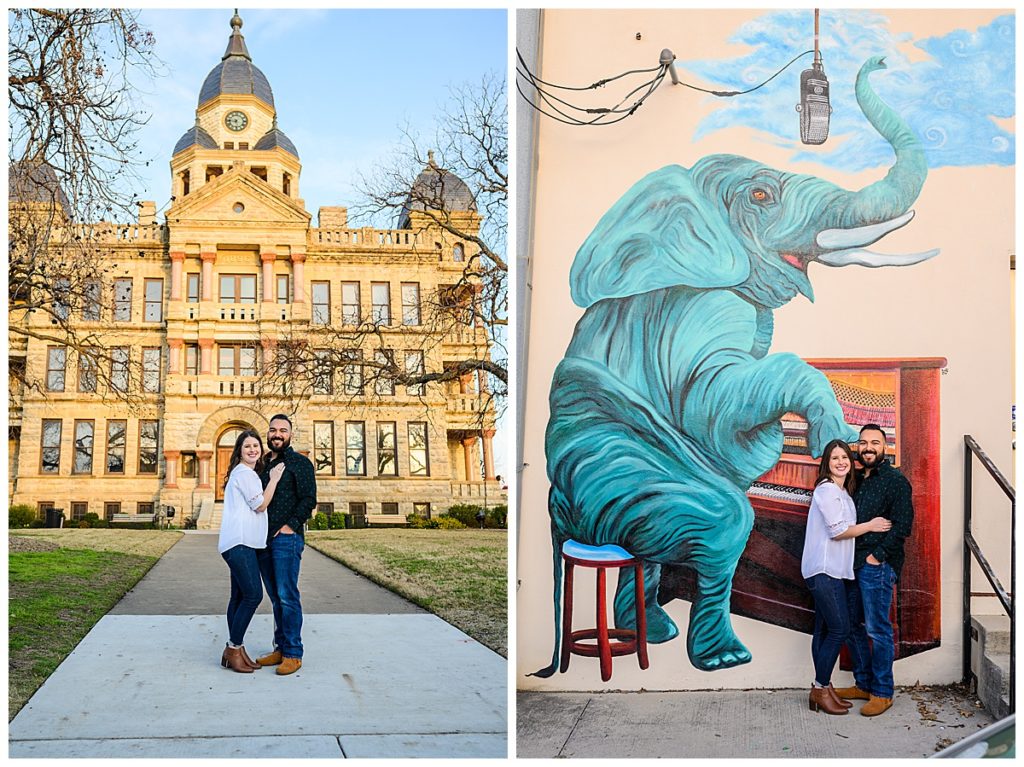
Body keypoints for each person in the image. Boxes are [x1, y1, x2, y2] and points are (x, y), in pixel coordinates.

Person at [802, 439, 892, 715]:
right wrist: (871, 526)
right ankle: (819, 688)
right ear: (827, 464)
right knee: (839, 629)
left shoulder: (842, 492)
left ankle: (824, 688)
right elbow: (838, 531)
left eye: (844, 458)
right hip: (823, 569)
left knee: (825, 629)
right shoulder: (827, 490)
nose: (841, 462)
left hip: (833, 571)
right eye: (834, 458)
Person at [835, 424, 914, 716]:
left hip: (876, 566)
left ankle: (882, 691)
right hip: (852, 564)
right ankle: (864, 683)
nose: (868, 447)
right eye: (864, 442)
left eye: (875, 443)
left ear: (885, 447)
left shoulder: (895, 481)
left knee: (878, 629)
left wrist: (876, 557)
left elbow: (903, 525)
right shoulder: (857, 479)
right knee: (853, 627)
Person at [217, 429, 285, 673]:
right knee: (253, 595)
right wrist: (275, 479)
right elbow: (260, 504)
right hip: (240, 543)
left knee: (238, 597)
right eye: (247, 446)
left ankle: (235, 649)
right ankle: (233, 648)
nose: (253, 450)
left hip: (240, 543)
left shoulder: (246, 474)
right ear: (240, 451)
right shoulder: (245, 473)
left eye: (256, 446)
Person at [255, 414, 317, 676]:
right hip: (263, 539)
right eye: (272, 430)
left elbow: (309, 499)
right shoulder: (263, 466)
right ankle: (280, 648)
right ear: (267, 434)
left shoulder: (299, 463)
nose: (277, 434)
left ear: (290, 434)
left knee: (287, 595)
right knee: (275, 597)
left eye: (282, 430)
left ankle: (293, 652)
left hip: (286, 540)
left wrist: (290, 526)